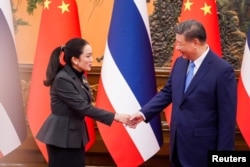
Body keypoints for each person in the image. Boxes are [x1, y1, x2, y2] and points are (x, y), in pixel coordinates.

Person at [130, 20, 237, 167]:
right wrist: (143, 114)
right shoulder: (180, 63)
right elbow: (168, 92)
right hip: (178, 148)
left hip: (203, 153)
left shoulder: (222, 71)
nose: (177, 48)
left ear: (195, 42)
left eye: (180, 43)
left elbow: (227, 119)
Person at [36, 38, 134, 167]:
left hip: (75, 135)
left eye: (91, 55)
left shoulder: (80, 75)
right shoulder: (62, 79)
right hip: (61, 137)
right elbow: (83, 107)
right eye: (88, 56)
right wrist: (117, 117)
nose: (91, 60)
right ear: (75, 60)